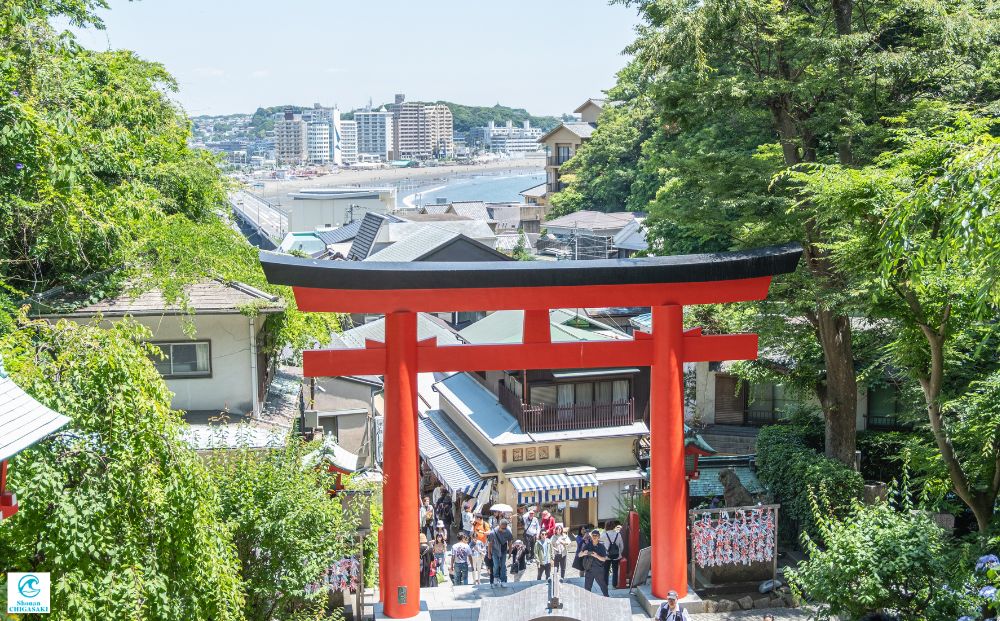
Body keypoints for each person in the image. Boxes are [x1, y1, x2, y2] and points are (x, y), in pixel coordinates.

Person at [579, 528, 609, 596]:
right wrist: (584, 553)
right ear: (591, 536)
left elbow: (604, 559)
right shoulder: (588, 545)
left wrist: (596, 556)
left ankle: (607, 598)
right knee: (587, 588)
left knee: (603, 586)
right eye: (593, 535)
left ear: (598, 537)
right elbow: (579, 555)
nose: (594, 537)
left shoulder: (601, 546)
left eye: (596, 535)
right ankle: (587, 601)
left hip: (599, 570)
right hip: (589, 569)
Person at [487, 518, 513, 588]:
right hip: (495, 550)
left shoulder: (508, 532)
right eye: (502, 528)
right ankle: (495, 577)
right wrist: (489, 553)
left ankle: (503, 580)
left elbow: (510, 542)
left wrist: (510, 552)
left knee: (503, 565)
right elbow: (490, 543)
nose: (503, 530)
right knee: (496, 564)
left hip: (503, 549)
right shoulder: (493, 532)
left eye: (505, 528)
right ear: (499, 525)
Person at [600, 521, 624, 589]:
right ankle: (614, 584)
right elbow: (622, 546)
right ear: (614, 526)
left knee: (605, 570)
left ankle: (605, 584)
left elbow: (599, 542)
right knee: (615, 570)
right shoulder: (618, 535)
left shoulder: (604, 535)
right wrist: (619, 553)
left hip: (607, 556)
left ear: (606, 526)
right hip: (616, 556)